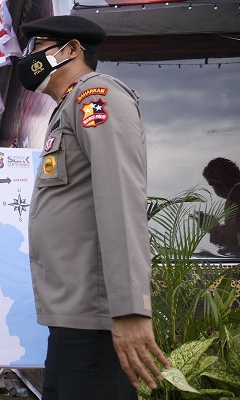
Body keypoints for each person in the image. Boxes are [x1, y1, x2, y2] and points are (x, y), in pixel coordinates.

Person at [18, 15, 170, 399]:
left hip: (98, 322)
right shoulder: (68, 107)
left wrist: (130, 309)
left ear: (71, 49)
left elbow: (120, 197)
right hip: (73, 319)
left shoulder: (95, 97)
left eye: (37, 46)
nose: (28, 57)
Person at [202, 157, 240, 254]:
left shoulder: (236, 200)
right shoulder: (232, 201)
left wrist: (211, 225)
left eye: (212, 184)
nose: (214, 189)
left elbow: (231, 238)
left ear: (220, 182)